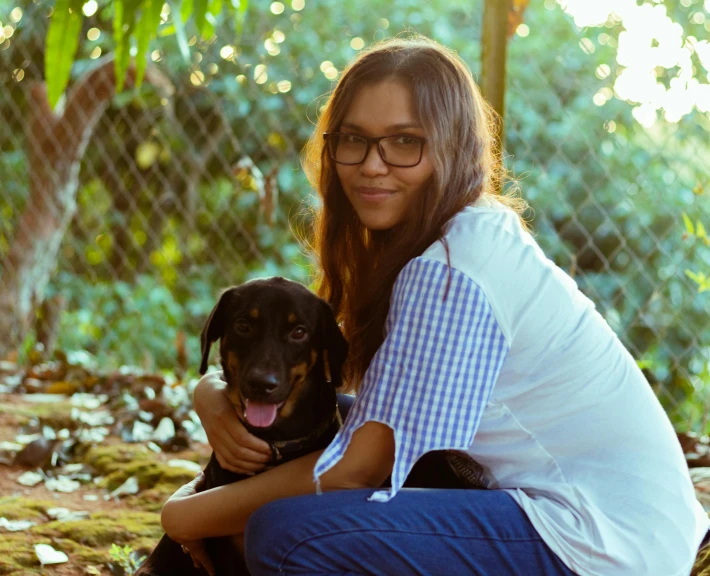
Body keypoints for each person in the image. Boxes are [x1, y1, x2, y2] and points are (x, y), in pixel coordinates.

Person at [160, 35, 709, 576]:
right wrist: (211, 395)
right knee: (322, 420)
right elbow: (345, 385)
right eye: (353, 139)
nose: (372, 165)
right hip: (627, 523)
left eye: (404, 142)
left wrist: (183, 515)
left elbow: (355, 470)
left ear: (451, 146)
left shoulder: (451, 268)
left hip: (596, 541)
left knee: (284, 536)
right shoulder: (460, 233)